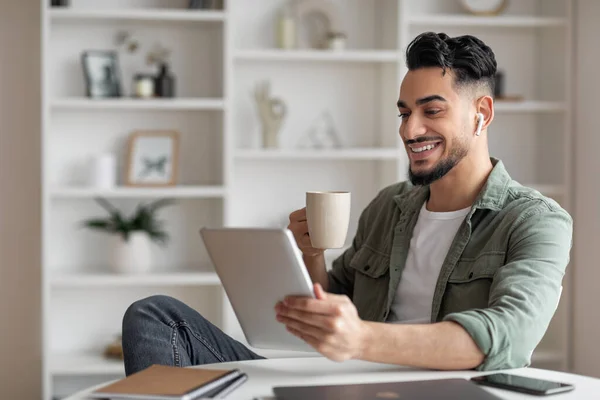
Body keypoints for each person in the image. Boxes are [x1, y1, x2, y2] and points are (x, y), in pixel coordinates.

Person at [121, 32, 572, 375]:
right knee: (154, 316)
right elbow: (337, 304)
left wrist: (360, 340)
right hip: (345, 379)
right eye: (403, 112)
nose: (409, 130)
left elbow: (508, 336)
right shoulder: (391, 206)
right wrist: (311, 258)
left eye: (431, 111)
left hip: (438, 389)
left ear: (482, 114)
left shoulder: (534, 220)